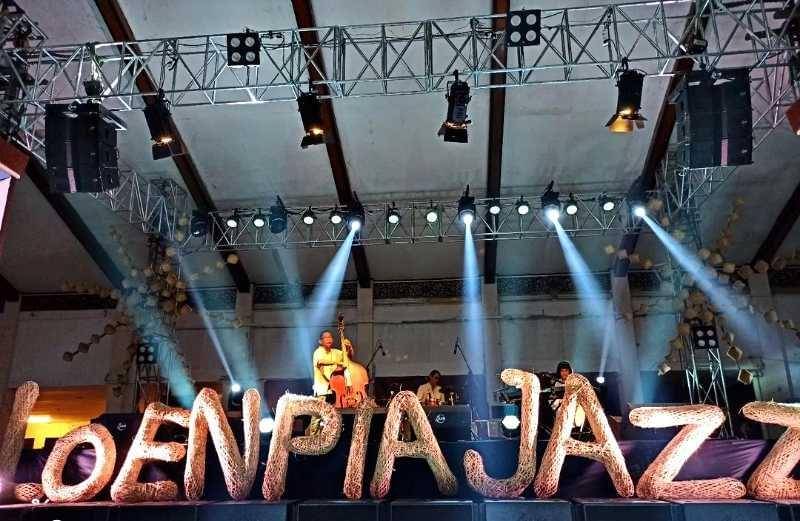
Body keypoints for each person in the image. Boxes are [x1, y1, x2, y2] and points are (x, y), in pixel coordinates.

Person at [309, 330, 351, 434]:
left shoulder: (335, 352)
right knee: (317, 415)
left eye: (330, 337)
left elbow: (347, 358)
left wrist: (349, 348)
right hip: (322, 389)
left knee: (331, 415)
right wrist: (337, 362)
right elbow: (321, 361)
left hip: (334, 390)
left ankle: (327, 436)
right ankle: (312, 437)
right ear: (320, 341)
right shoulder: (318, 352)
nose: (329, 339)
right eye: (326, 337)